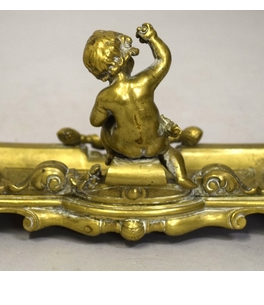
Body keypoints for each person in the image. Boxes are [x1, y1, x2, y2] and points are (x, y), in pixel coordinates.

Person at [83, 22, 197, 189]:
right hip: (156, 144)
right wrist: (152, 38)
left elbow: (95, 121)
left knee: (107, 126)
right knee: (169, 151)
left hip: (126, 148)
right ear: (127, 58)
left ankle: (110, 153)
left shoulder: (105, 97)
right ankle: (181, 177)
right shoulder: (144, 82)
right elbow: (163, 59)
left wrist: (111, 111)